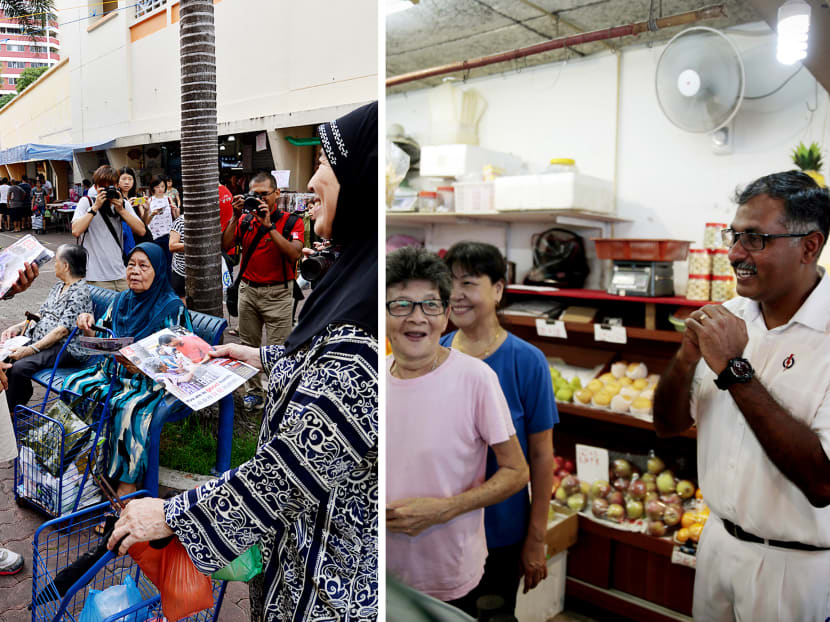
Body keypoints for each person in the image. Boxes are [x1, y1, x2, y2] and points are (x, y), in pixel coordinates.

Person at [107, 102, 380, 622]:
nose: (314, 179)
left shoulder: (368, 308)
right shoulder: (357, 277)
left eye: (325, 163)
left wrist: (173, 513)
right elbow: (335, 384)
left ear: (362, 182)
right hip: (305, 556)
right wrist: (260, 356)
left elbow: (294, 470)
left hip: (330, 587)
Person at [653, 171, 830, 621]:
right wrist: (686, 358)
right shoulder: (727, 316)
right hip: (716, 545)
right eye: (736, 236)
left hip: (795, 569)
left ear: (809, 246)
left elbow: (822, 482)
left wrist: (735, 370)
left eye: (755, 239)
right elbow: (668, 425)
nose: (735, 255)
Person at [386, 245, 530, 616]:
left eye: (430, 305)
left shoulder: (476, 379)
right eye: (401, 305)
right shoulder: (371, 378)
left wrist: (444, 509)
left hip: (447, 576)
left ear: (446, 313)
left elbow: (518, 471)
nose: (417, 318)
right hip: (379, 574)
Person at [441, 241, 556, 615]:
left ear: (498, 290)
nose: (456, 295)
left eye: (469, 283)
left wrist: (537, 538)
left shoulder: (527, 362)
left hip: (502, 534)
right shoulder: (432, 353)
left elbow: (540, 456)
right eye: (450, 282)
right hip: (440, 531)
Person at [63, 243, 190, 499]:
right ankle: (78, 463)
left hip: (149, 382)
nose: (134, 271)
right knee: (75, 385)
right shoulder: (121, 299)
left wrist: (144, 365)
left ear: (158, 272)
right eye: (131, 264)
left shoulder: (171, 307)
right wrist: (87, 325)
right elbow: (99, 336)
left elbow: (180, 359)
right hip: (111, 373)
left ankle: (125, 487)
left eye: (144, 266)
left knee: (128, 409)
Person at [220, 170, 304, 411]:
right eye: (253, 195)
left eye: (264, 195)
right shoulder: (246, 220)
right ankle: (254, 392)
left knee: (279, 351)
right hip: (248, 290)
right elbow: (226, 245)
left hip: (278, 294)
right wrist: (235, 217)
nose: (258, 199)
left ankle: (278, 396)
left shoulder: (291, 221)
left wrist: (269, 227)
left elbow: (294, 253)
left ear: (277, 193)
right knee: (247, 344)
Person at [2, 245, 92, 412]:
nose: (54, 265)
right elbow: (41, 314)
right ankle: (14, 405)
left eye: (56, 261)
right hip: (44, 340)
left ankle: (12, 410)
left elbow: (62, 331)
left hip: (65, 347)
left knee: (19, 367)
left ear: (66, 266)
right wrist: (17, 327)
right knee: (7, 357)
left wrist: (31, 349)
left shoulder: (80, 291)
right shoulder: (58, 286)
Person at [72, 165, 147, 292]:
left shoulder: (122, 204)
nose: (107, 191)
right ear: (95, 187)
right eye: (103, 187)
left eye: (110, 186)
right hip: (95, 277)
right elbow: (76, 231)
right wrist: (95, 208)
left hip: (120, 274)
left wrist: (122, 211)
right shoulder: (87, 202)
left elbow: (141, 230)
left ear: (117, 186)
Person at [143, 175, 177, 268]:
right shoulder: (149, 201)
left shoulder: (168, 199)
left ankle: (169, 282)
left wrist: (175, 210)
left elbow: (176, 218)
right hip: (155, 237)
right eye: (157, 187)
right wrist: (153, 214)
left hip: (168, 236)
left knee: (169, 264)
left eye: (162, 186)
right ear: (153, 187)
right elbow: (145, 223)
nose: (160, 189)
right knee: (157, 264)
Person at [168, 208, 186, 301]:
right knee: (183, 305)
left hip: (200, 272)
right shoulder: (180, 222)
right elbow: (172, 246)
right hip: (181, 272)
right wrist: (193, 246)